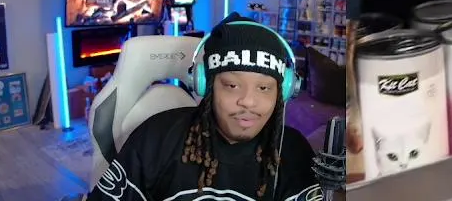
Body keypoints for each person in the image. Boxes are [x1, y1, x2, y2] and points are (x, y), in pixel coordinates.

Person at [89, 14, 323, 201]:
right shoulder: (155, 139)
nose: (248, 101)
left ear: (284, 91)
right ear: (206, 85)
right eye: (232, 85)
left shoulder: (293, 152)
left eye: (264, 88)